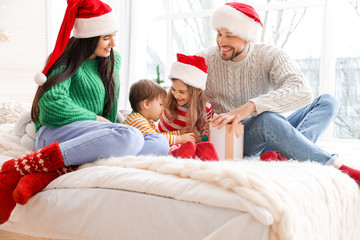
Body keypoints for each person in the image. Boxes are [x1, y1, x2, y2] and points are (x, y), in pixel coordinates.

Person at [0, 0, 169, 225]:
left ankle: (53, 171)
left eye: (114, 35)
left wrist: (108, 125)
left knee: (159, 142)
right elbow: (51, 106)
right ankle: (24, 166)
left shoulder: (111, 60)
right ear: (90, 36)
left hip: (93, 134)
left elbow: (108, 108)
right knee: (129, 136)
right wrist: (95, 119)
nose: (113, 43)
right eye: (106, 37)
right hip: (57, 132)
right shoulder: (62, 58)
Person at [198, 2, 360, 185]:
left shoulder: (268, 55)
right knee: (268, 119)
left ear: (247, 37)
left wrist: (251, 106)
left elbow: (302, 89)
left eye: (230, 35)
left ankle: (285, 153)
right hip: (236, 138)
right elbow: (180, 93)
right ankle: (336, 167)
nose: (222, 42)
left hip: (269, 135)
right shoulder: (205, 58)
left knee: (328, 102)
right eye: (219, 34)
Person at [158, 53, 219, 161]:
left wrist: (200, 137)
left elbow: (208, 130)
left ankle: (206, 156)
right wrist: (180, 136)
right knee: (173, 148)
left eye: (182, 92)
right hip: (171, 141)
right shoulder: (168, 103)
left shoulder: (206, 107)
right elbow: (161, 135)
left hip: (193, 141)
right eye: (173, 89)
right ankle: (180, 153)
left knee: (203, 146)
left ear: (198, 90)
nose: (176, 95)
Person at [123, 79, 195, 146]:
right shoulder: (137, 120)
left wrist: (179, 133)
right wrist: (179, 139)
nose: (163, 108)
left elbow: (159, 135)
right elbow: (157, 139)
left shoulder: (146, 120)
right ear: (147, 104)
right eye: (161, 104)